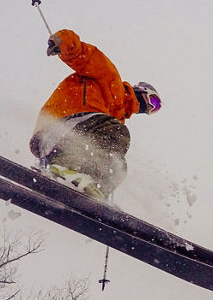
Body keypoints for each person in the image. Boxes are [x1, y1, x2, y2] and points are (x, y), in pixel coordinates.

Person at [29, 28, 161, 200]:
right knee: (116, 134)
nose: (149, 108)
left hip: (52, 146)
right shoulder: (111, 81)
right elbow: (88, 57)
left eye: (154, 109)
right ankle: (64, 165)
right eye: (153, 102)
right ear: (141, 91)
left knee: (118, 166)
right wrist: (63, 42)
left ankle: (90, 192)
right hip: (63, 125)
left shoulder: (115, 119)